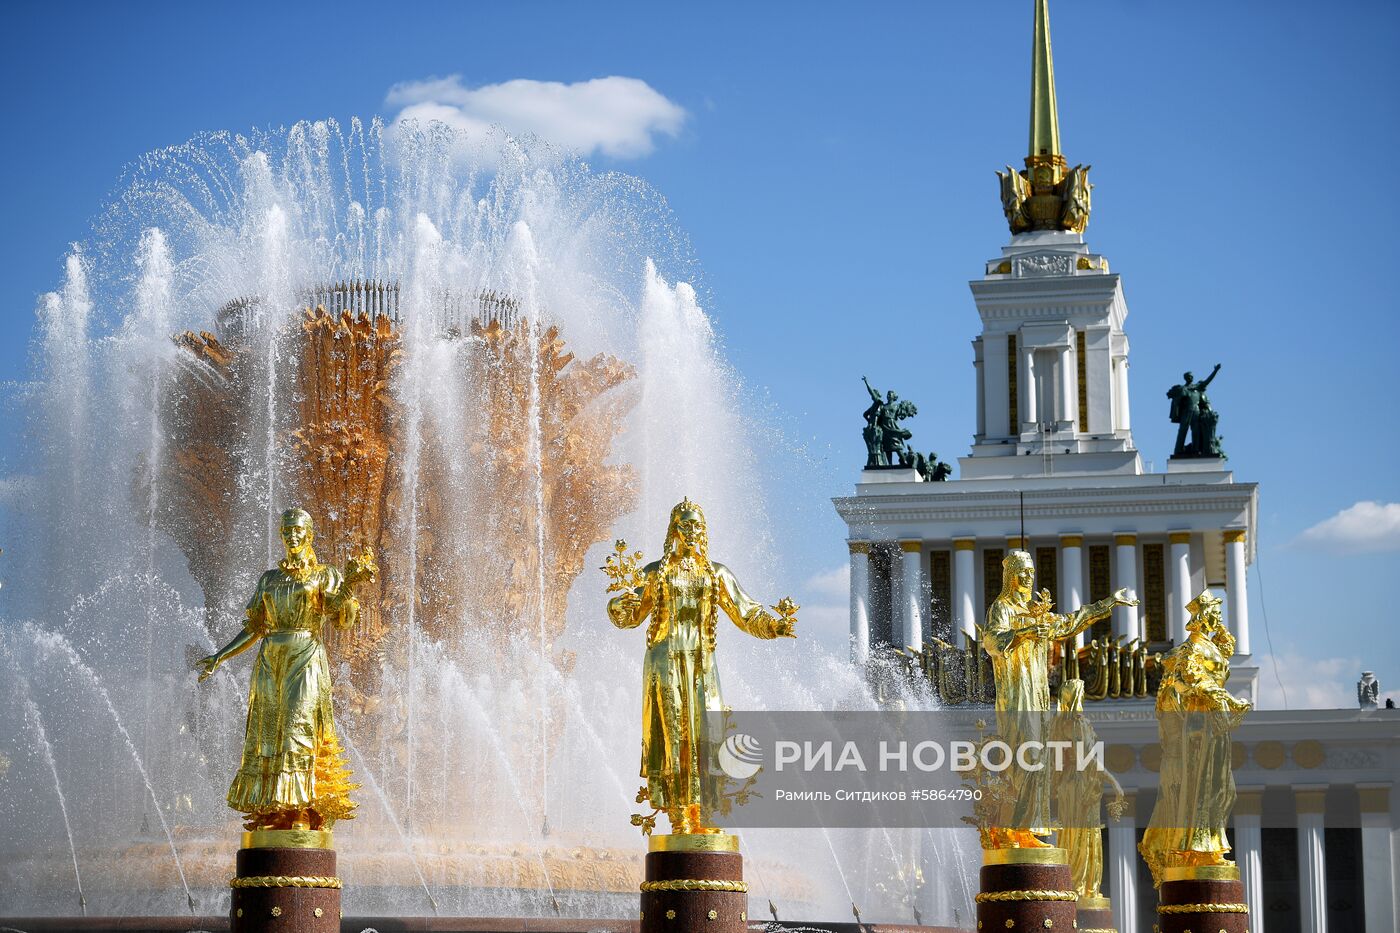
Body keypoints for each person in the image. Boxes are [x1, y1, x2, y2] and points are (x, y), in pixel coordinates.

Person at [607, 498, 796, 834]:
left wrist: (775, 627)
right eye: (685, 525)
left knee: (709, 734)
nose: (692, 531)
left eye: (698, 526)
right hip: (666, 661)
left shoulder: (716, 573)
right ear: (673, 530)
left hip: (702, 663)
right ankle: (680, 816)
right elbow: (632, 616)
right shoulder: (656, 573)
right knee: (675, 736)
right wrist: (617, 605)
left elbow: (746, 612)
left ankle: (705, 813)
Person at [197, 508, 375, 831]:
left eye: (298, 531)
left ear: (309, 535)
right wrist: (219, 657)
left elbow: (340, 617)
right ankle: (275, 809)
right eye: (287, 531)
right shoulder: (269, 579)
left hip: (305, 656)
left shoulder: (324, 575)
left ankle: (302, 811)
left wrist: (350, 585)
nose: (292, 536)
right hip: (269, 662)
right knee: (269, 737)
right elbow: (255, 628)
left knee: (298, 730)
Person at [980, 550, 1134, 848]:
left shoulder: (1037, 612)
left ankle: (1022, 829)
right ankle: (1014, 828)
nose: (1029, 577)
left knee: (1037, 757)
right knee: (1026, 756)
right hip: (1016, 697)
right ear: (1010, 575)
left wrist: (1108, 603)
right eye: (1022, 572)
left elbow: (1069, 623)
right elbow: (991, 641)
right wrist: (1024, 632)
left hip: (1037, 697)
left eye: (1031, 571)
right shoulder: (1003, 608)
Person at [1139, 591, 1251, 886]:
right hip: (1200, 726)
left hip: (1215, 724)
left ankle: (1209, 845)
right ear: (1202, 617)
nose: (1218, 618)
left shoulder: (1210, 646)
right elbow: (1190, 680)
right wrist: (1227, 698)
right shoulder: (1191, 649)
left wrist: (1220, 630)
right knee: (1203, 786)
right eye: (1214, 613)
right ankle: (1196, 847)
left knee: (1222, 788)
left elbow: (1225, 652)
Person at [1052, 679, 1124, 902]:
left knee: (1072, 834)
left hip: (1070, 784)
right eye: (1081, 694)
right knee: (1083, 833)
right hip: (1081, 784)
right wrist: (1114, 783)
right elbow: (1088, 759)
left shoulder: (1062, 724)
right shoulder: (1077, 724)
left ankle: (1073, 883)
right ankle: (1082, 886)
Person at [1167, 363, 1220, 457]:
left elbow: (1207, 381)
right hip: (1186, 411)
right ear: (1186, 378)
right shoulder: (1183, 389)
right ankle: (1178, 450)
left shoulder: (1197, 387)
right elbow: (1173, 396)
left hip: (1196, 411)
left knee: (1196, 431)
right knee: (1183, 430)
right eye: (1188, 376)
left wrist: (1215, 371)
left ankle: (1196, 450)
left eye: (1191, 376)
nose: (1190, 378)